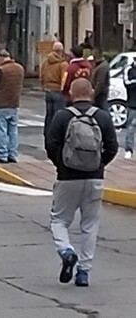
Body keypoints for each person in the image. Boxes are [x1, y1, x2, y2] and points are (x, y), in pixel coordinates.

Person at [45, 78, 118, 287]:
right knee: (90, 224)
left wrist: (62, 165)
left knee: (59, 220)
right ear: (92, 92)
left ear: (71, 93)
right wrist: (99, 164)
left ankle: (66, 251)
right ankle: (84, 272)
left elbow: (51, 144)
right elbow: (112, 147)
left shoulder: (62, 116)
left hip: (67, 178)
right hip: (95, 178)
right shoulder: (102, 117)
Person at [0, 50, 25, 164]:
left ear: (1, 58)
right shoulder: (20, 68)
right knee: (13, 131)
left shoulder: (1, 70)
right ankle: (12, 154)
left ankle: (2, 155)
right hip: (14, 103)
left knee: (0, 131)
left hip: (1, 104)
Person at [41, 42, 68, 136]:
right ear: (61, 51)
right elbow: (64, 78)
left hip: (48, 90)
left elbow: (42, 75)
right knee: (58, 114)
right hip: (57, 91)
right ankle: (56, 134)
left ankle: (47, 133)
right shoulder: (63, 64)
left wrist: (43, 86)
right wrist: (63, 89)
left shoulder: (46, 62)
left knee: (49, 114)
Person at [90, 48, 110, 112]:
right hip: (99, 93)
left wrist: (94, 94)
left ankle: (107, 121)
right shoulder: (99, 65)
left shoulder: (102, 67)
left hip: (100, 94)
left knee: (103, 109)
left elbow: (100, 83)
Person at [124, 57, 136, 159]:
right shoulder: (129, 70)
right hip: (133, 103)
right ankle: (128, 149)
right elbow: (127, 83)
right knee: (131, 127)